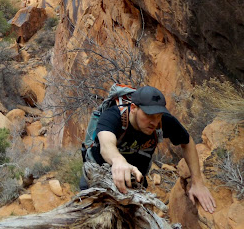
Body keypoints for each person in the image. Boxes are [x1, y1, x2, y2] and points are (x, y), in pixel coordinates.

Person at [82, 85, 216, 214]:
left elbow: (187, 142)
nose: (155, 122)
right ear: (134, 108)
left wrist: (197, 182)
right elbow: (106, 144)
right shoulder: (114, 116)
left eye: (158, 116)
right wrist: (118, 161)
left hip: (135, 181)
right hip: (98, 174)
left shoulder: (164, 121)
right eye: (149, 115)